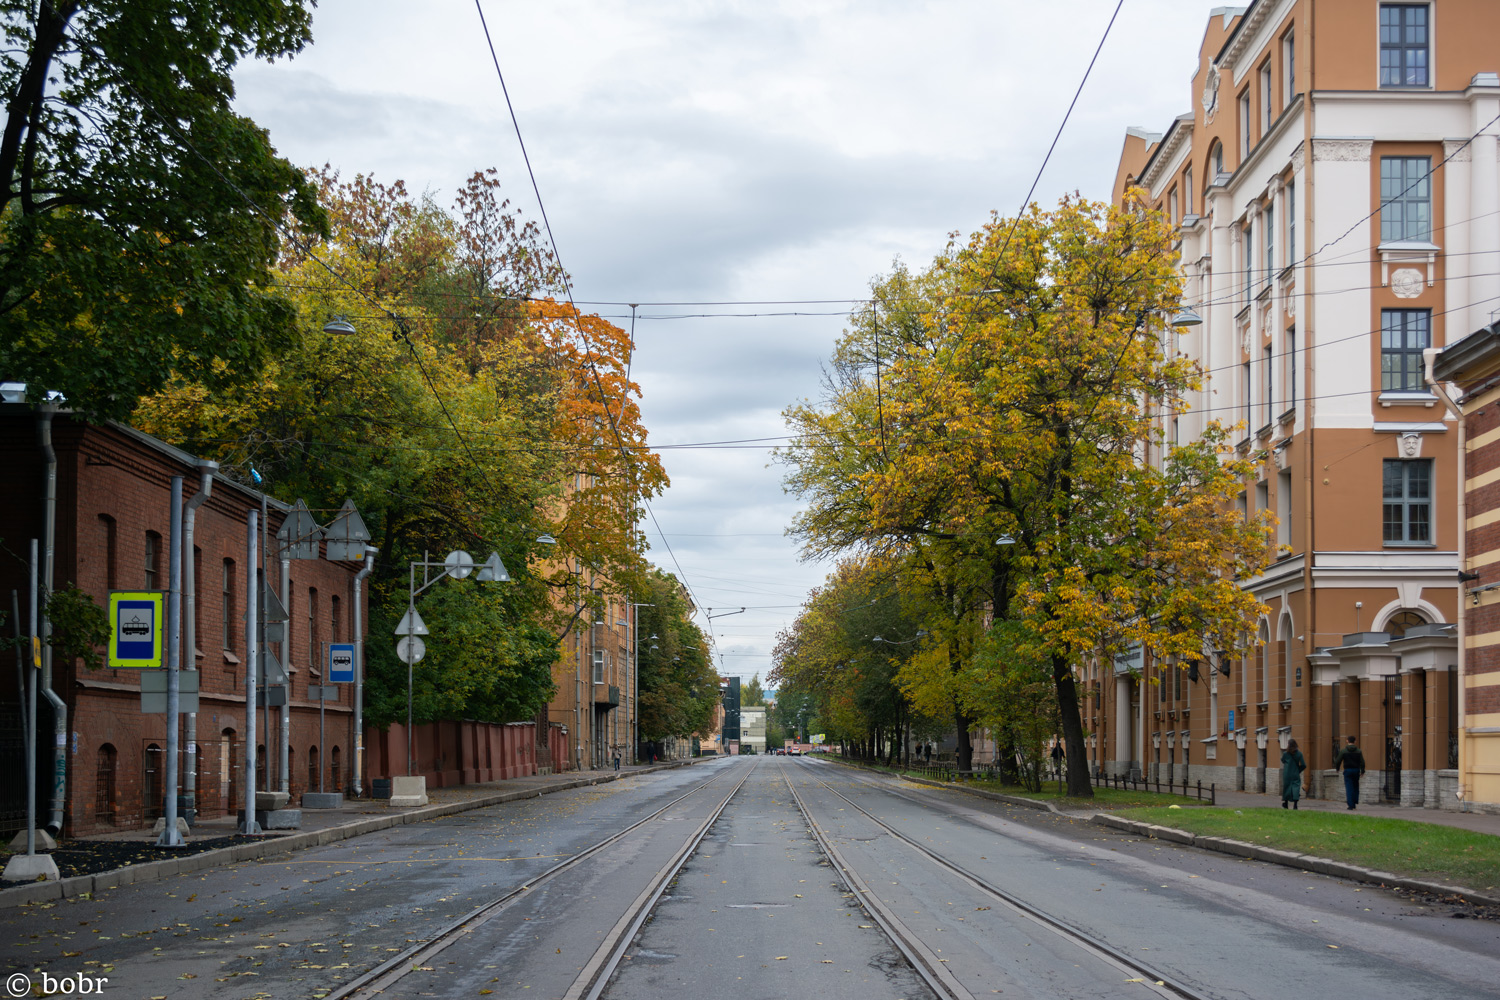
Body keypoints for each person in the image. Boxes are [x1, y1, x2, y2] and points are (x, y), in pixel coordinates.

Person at [1334, 734, 1365, 809]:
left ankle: (1350, 805)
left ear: (1347, 741)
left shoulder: (1344, 751)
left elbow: (1337, 761)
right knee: (1355, 786)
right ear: (1355, 741)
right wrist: (1362, 771)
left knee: (1349, 787)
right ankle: (1355, 801)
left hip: (1347, 770)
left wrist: (1337, 768)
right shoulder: (1359, 751)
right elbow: (1362, 762)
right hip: (1356, 770)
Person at [1280, 738, 1306, 809]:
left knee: (1287, 787)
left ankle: (1286, 804)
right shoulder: (1299, 754)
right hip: (1295, 774)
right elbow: (1303, 765)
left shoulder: (1285, 754)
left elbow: (1282, 760)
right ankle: (1295, 805)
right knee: (1296, 788)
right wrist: (1298, 770)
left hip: (1287, 774)